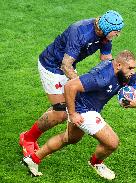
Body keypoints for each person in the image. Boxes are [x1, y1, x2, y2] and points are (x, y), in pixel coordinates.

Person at [22, 50, 136, 180]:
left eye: (134, 67)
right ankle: (96, 163)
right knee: (112, 143)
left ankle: (33, 159)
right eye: (130, 68)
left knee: (70, 138)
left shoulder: (128, 75)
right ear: (119, 65)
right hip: (83, 109)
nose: (133, 71)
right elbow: (70, 86)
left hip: (88, 107)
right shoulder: (101, 76)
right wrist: (73, 113)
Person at [19, 10, 124, 157]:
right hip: (52, 65)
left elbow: (106, 60)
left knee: (63, 107)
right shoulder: (80, 31)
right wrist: (84, 86)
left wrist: (118, 80)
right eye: (116, 31)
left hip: (68, 66)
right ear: (106, 28)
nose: (118, 34)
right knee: (61, 112)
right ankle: (27, 138)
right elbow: (65, 65)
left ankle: (31, 136)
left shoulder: (106, 37)